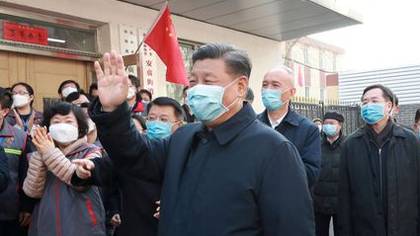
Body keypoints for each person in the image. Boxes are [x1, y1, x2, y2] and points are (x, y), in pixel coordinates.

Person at [76, 44, 315, 235]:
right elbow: (135, 156)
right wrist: (113, 111)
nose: (197, 90)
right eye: (193, 82)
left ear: (241, 86)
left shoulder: (274, 150)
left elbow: (290, 227)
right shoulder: (185, 137)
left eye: (208, 82)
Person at [73, 96, 186, 236]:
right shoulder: (133, 151)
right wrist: (88, 169)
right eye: (151, 118)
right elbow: (107, 167)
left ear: (179, 125)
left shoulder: (187, 152)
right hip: (134, 228)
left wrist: (176, 202)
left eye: (163, 120)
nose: (156, 123)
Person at [338, 84, 420, 236]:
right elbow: (344, 197)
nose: (368, 106)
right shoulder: (350, 145)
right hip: (364, 229)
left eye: (374, 101)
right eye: (364, 102)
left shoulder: (410, 141)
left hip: (404, 228)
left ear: (389, 106)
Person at [22, 102, 106, 236]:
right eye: (56, 122)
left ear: (79, 127)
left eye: (68, 121)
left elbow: (81, 184)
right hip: (47, 223)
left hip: (83, 225)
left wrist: (49, 152)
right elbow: (32, 191)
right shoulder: (40, 151)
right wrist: (41, 151)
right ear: (48, 127)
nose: (62, 126)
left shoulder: (92, 151)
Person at [257, 66, 321, 187]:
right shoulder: (252, 125)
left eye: (275, 85)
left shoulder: (308, 129)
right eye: (264, 85)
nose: (268, 90)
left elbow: (311, 174)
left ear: (292, 92)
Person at [0, 87, 35, 236]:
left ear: (4, 111)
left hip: (10, 213)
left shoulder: (21, 138)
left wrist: (27, 207)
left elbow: (27, 175)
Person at [312, 111, 345, 236]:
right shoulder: (316, 145)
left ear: (340, 125)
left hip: (340, 204)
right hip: (319, 202)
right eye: (325, 123)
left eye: (331, 123)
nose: (327, 126)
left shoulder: (348, 145)